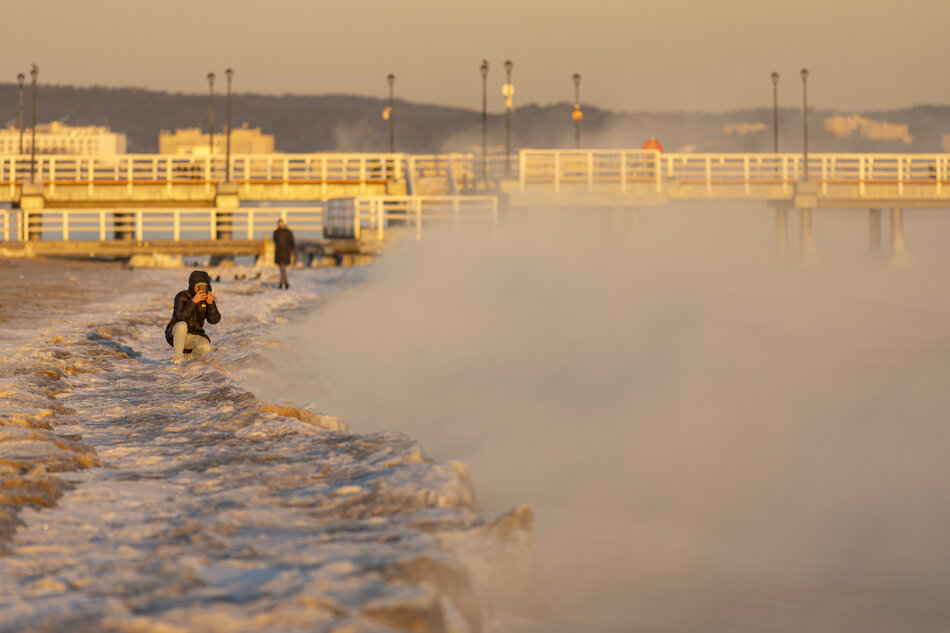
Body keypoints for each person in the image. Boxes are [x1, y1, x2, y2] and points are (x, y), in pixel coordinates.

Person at [165, 270, 221, 364]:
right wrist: (193, 302)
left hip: (193, 336)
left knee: (206, 346)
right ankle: (177, 360)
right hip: (175, 334)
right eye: (199, 287)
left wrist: (211, 305)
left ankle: (190, 361)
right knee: (182, 325)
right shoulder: (182, 296)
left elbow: (214, 320)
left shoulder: (207, 300)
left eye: (204, 286)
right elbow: (180, 316)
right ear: (192, 286)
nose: (202, 289)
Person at [273, 218, 295, 290]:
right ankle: (285, 283)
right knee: (283, 269)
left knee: (282, 269)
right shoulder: (288, 232)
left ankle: (281, 284)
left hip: (281, 253)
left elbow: (275, 241)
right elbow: (292, 243)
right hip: (285, 253)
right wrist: (291, 251)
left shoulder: (276, 232)